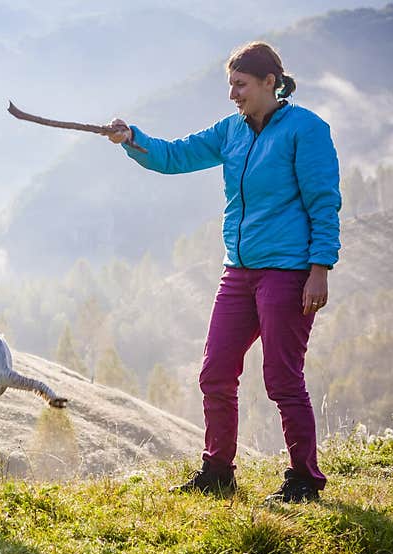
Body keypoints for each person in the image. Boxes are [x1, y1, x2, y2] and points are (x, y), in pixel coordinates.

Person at [105, 41, 341, 503]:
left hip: (288, 271)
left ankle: (304, 479)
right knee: (214, 372)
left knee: (282, 377)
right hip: (239, 272)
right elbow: (176, 156)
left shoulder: (306, 130)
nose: (233, 94)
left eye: (241, 84)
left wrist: (320, 269)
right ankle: (218, 472)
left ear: (270, 82)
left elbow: (323, 202)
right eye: (230, 85)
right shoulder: (231, 130)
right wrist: (133, 137)